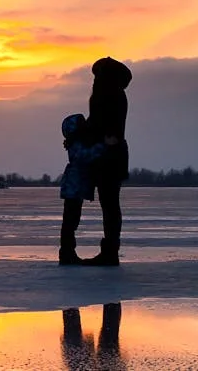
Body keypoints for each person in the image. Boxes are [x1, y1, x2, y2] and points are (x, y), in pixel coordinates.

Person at [82, 57, 132, 267]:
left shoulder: (109, 94)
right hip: (111, 153)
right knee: (110, 204)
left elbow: (100, 124)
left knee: (110, 204)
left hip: (109, 155)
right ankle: (110, 250)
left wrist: (84, 135)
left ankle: (110, 252)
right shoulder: (114, 93)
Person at [58, 114, 117, 265]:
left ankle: (68, 251)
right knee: (70, 221)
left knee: (72, 221)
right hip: (73, 187)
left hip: (75, 188)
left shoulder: (77, 142)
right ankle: (66, 252)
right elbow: (86, 156)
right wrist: (104, 145)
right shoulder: (76, 144)